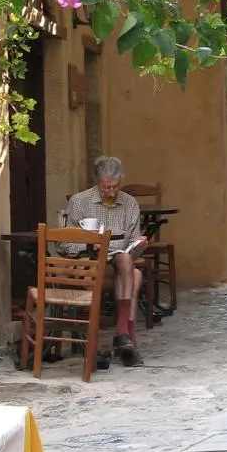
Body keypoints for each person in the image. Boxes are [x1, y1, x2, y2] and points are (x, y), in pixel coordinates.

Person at [64, 155, 147, 366]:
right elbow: (65, 244)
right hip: (88, 267)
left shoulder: (129, 203)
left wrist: (138, 245)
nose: (111, 192)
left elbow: (132, 241)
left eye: (115, 187)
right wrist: (89, 245)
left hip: (118, 265)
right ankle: (126, 337)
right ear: (96, 182)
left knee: (126, 260)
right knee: (136, 275)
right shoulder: (79, 202)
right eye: (106, 188)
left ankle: (122, 334)